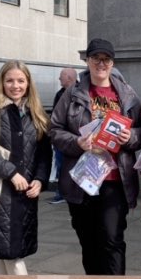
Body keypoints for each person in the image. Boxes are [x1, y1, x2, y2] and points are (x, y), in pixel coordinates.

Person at [50, 38, 141, 275]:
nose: (101, 63)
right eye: (96, 58)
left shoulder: (127, 94)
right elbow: (54, 130)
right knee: (88, 241)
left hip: (115, 180)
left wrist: (130, 137)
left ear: (112, 63)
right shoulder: (72, 94)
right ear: (88, 61)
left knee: (112, 239)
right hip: (82, 180)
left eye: (106, 59)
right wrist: (77, 142)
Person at [0, 60, 51, 275]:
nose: (15, 86)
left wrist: (40, 180)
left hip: (25, 195)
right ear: (2, 82)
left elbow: (44, 153)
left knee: (4, 252)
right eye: (10, 80)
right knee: (12, 253)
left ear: (28, 83)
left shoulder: (35, 113)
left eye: (21, 81)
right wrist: (11, 172)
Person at [48, 68, 78, 204]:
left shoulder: (80, 91)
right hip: (62, 140)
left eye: (61, 77)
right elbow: (55, 119)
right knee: (60, 165)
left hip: (77, 140)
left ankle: (67, 193)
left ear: (69, 78)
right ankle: (62, 193)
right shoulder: (59, 94)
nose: (59, 79)